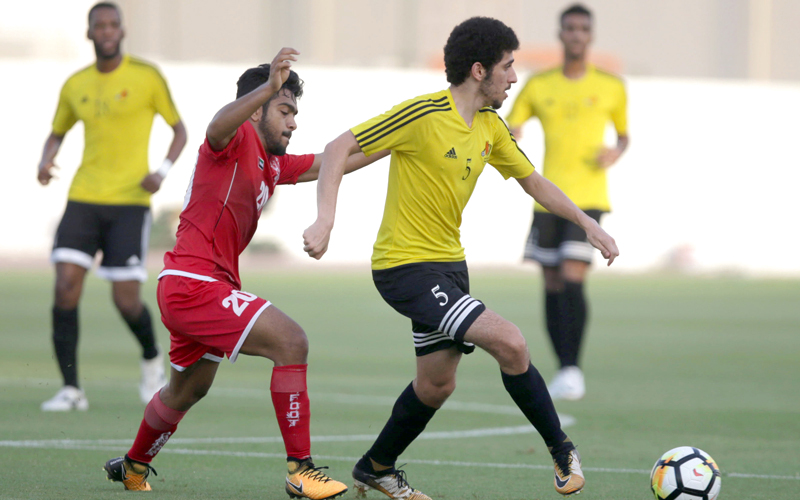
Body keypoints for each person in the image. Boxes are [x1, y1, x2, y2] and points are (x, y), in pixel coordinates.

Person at [303, 16, 619, 499]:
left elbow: (534, 182)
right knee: (511, 343)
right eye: (507, 66)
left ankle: (376, 467)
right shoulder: (422, 114)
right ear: (478, 71)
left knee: (436, 385)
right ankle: (562, 450)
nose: (514, 77)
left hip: (450, 266)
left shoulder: (490, 126)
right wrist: (325, 220)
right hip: (404, 267)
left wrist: (587, 223)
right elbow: (338, 148)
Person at [102, 47, 388, 499]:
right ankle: (300, 470)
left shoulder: (273, 163)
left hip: (196, 288)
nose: (293, 123)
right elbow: (216, 126)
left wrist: (397, 140)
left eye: (294, 113)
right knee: (291, 342)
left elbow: (335, 161)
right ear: (256, 109)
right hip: (194, 285)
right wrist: (268, 87)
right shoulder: (232, 140)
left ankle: (133, 467)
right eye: (284, 111)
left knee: (187, 390)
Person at [37, 2, 187, 411]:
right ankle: (71, 390)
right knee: (65, 287)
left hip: (130, 203)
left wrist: (162, 172)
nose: (105, 31)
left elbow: (179, 130)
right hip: (84, 197)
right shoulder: (76, 84)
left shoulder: (146, 76)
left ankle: (151, 358)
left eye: (112, 24)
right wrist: (45, 160)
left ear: (122, 31)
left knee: (126, 300)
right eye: (98, 25)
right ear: (89, 33)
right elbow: (57, 132)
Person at [506, 4, 629, 401]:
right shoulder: (539, 84)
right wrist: (512, 136)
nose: (576, 34)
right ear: (561, 34)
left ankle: (573, 368)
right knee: (552, 281)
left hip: (589, 198)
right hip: (547, 198)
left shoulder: (611, 86)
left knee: (572, 274)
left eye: (582, 28)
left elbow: (623, 135)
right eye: (570, 28)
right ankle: (563, 367)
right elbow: (512, 124)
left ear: (590, 35)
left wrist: (616, 151)